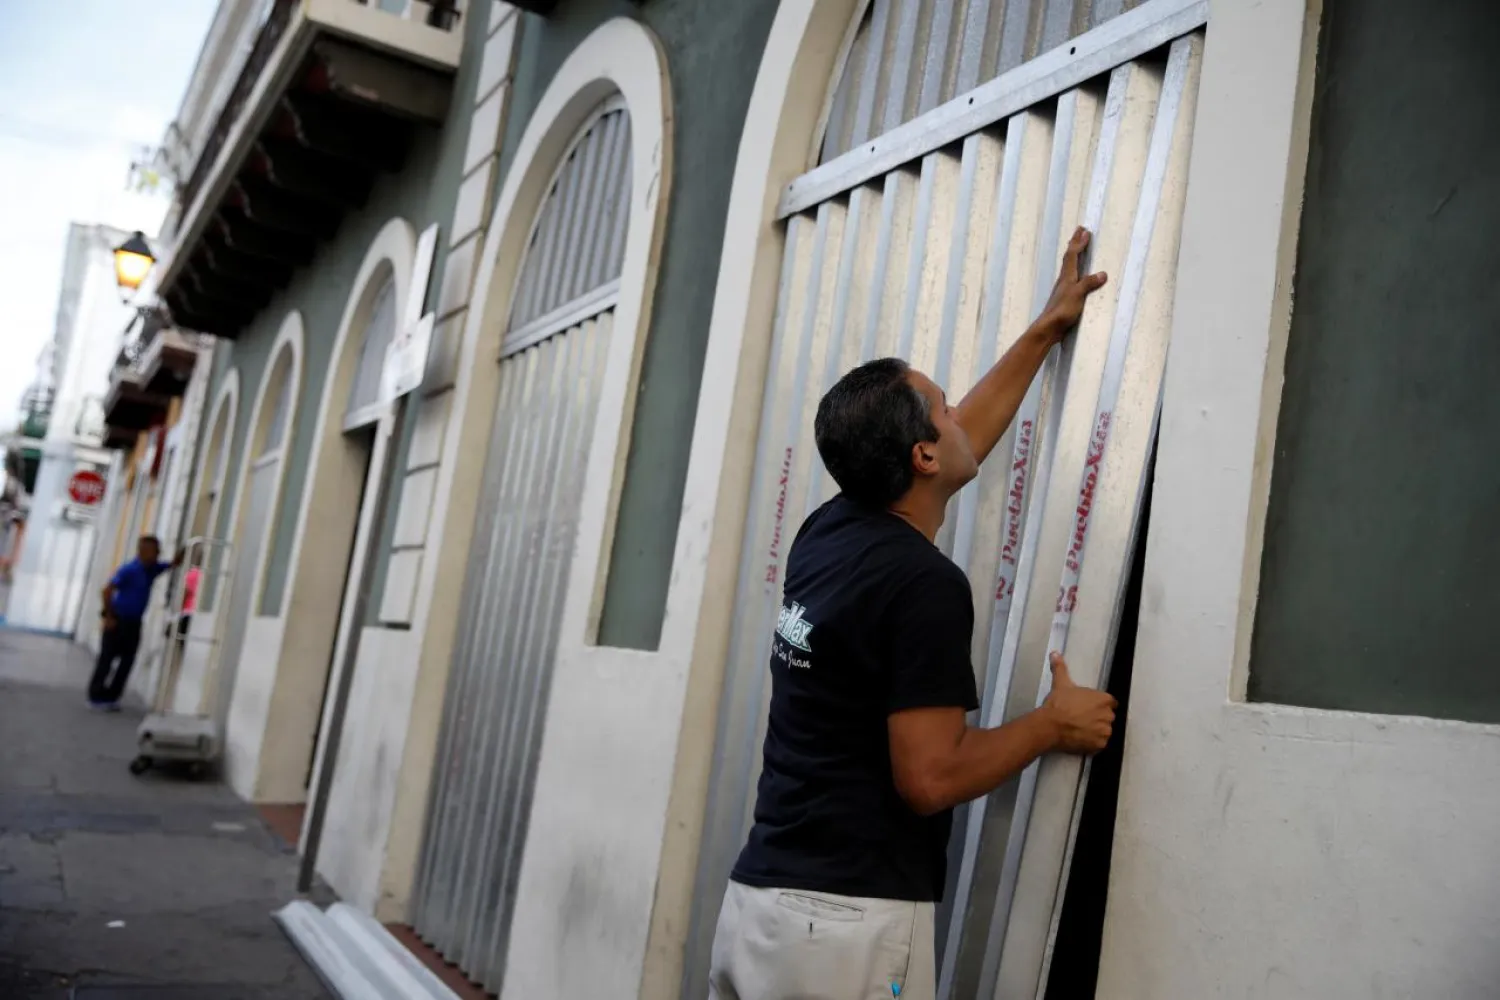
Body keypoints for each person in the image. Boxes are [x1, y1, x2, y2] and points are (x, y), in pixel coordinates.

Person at [707, 227, 1119, 1000]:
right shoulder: (923, 584)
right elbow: (930, 778)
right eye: (942, 407)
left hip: (761, 908)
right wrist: (1051, 725)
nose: (960, 412)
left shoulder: (827, 532)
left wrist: (1045, 328)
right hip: (845, 932)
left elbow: (965, 437)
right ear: (923, 457)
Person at [90, 535, 182, 710]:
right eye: (155, 551)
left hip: (134, 622)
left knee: (128, 660)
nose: (158, 555)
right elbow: (107, 591)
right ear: (144, 551)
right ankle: (96, 697)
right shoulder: (129, 570)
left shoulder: (152, 570)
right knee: (107, 659)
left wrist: (184, 553)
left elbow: (172, 565)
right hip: (118, 620)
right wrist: (109, 617)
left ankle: (111, 697)